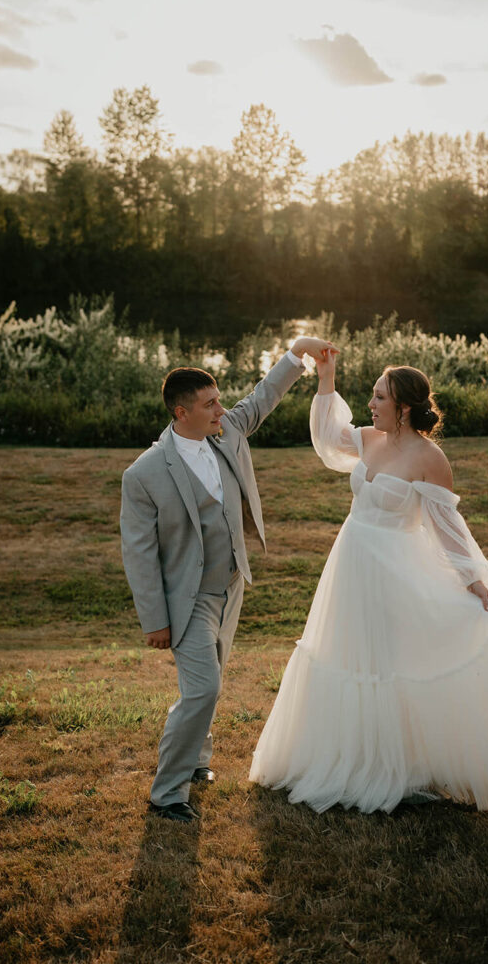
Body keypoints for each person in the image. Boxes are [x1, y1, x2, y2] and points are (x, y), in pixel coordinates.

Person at [250, 351, 488, 814]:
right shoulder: (368, 438)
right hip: (352, 563)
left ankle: (405, 761)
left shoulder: (430, 458)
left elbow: (447, 527)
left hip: (397, 569)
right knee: (349, 651)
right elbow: (328, 438)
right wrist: (326, 377)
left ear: (404, 407)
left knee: (396, 660)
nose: (371, 404)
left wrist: (474, 581)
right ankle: (353, 756)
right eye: (371, 395)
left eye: (379, 396)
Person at [121, 336, 336, 823]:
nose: (221, 408)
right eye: (210, 404)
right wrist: (154, 619)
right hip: (187, 597)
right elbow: (138, 553)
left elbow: (262, 398)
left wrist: (298, 352)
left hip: (231, 583)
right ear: (181, 412)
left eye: (218, 401)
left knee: (211, 677)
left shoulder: (227, 433)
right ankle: (167, 794)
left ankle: (197, 762)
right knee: (203, 689)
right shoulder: (145, 474)